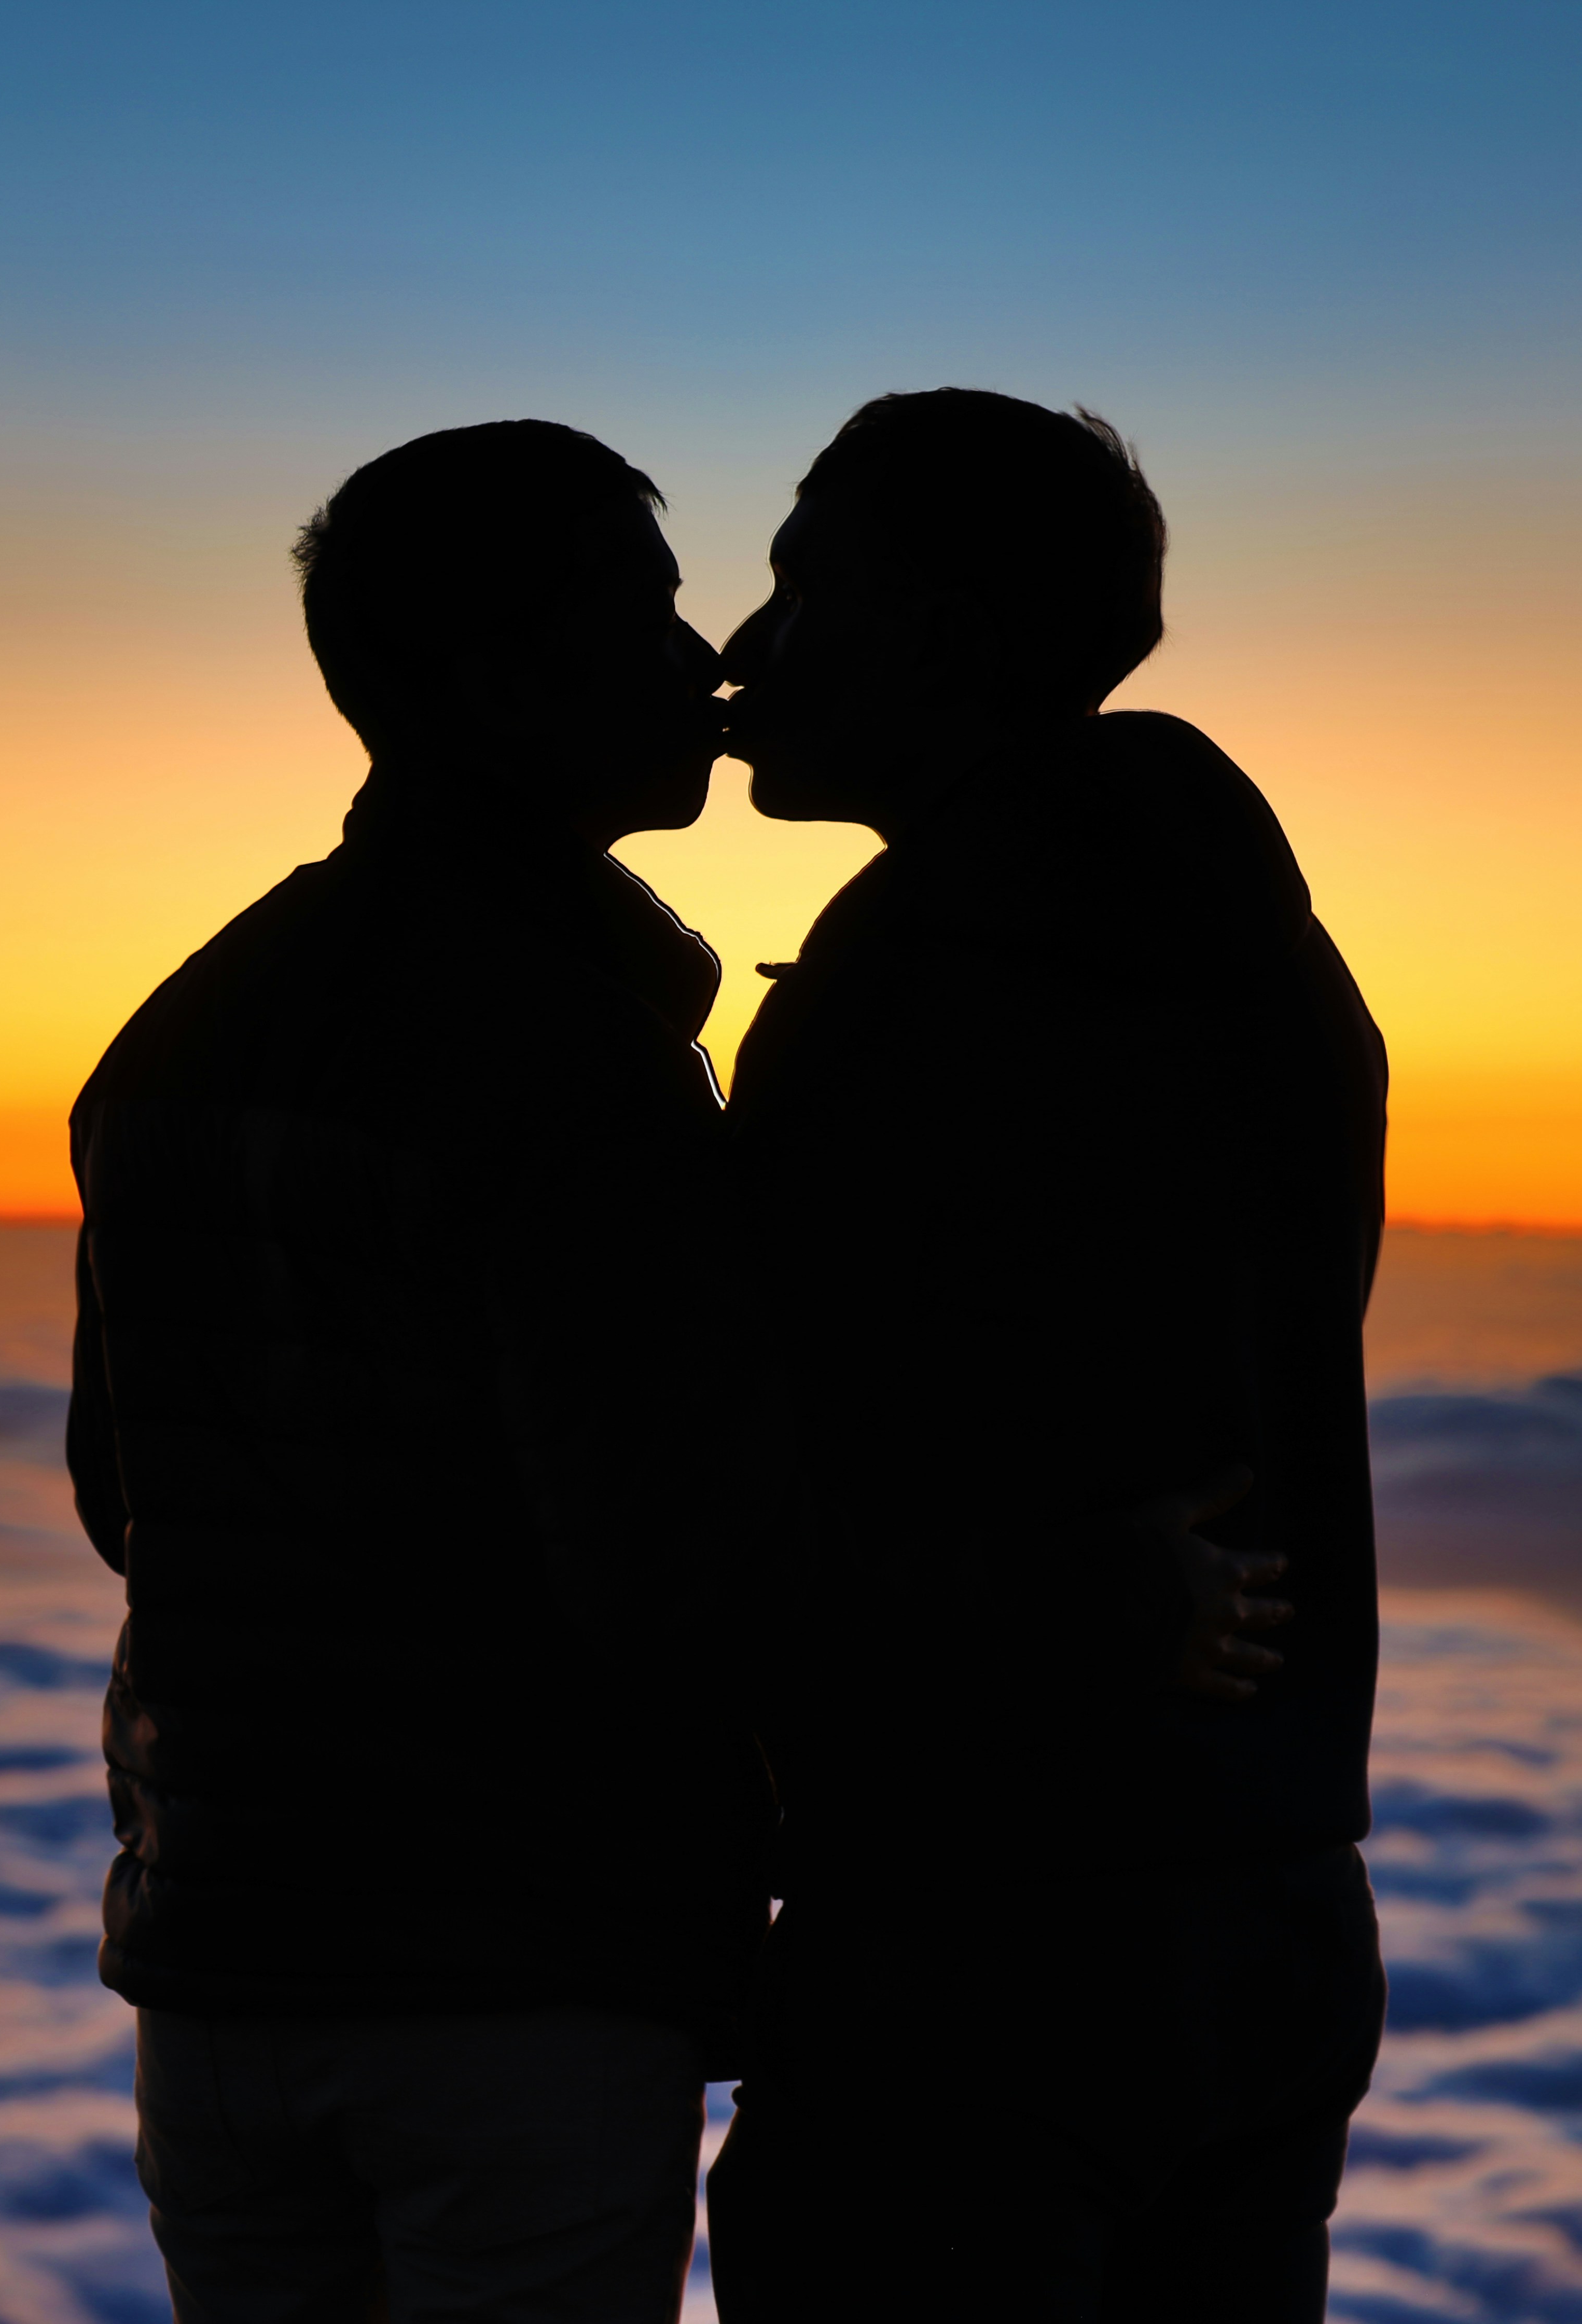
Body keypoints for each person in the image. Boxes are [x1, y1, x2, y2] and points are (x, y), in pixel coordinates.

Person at [68, 420, 771, 2322]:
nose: (702, 661)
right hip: (515, 1980)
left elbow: (124, 1494)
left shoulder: (182, 1031)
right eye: (645, 614)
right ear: (499, 678)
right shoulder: (569, 1064)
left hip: (219, 1973)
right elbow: (673, 1563)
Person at [704, 390, 1390, 2322]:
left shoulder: (914, 996)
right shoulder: (1270, 961)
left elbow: (771, 1468)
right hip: (1272, 1917)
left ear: (939, 632)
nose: (745, 650)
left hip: (973, 1942)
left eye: (803, 587)